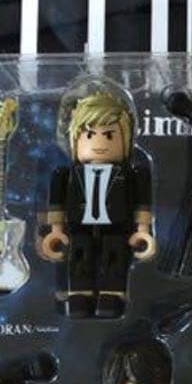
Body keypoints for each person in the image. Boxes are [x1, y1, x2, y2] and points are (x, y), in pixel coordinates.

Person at [42, 90, 155, 318]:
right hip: (79, 228)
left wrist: (143, 230)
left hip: (116, 228)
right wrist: (55, 230)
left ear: (126, 140)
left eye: (110, 135)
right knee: (79, 258)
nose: (99, 143)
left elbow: (141, 203)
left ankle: (112, 295)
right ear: (75, 139)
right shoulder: (67, 175)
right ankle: (79, 294)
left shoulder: (131, 176)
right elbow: (57, 204)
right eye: (89, 135)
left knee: (115, 259)